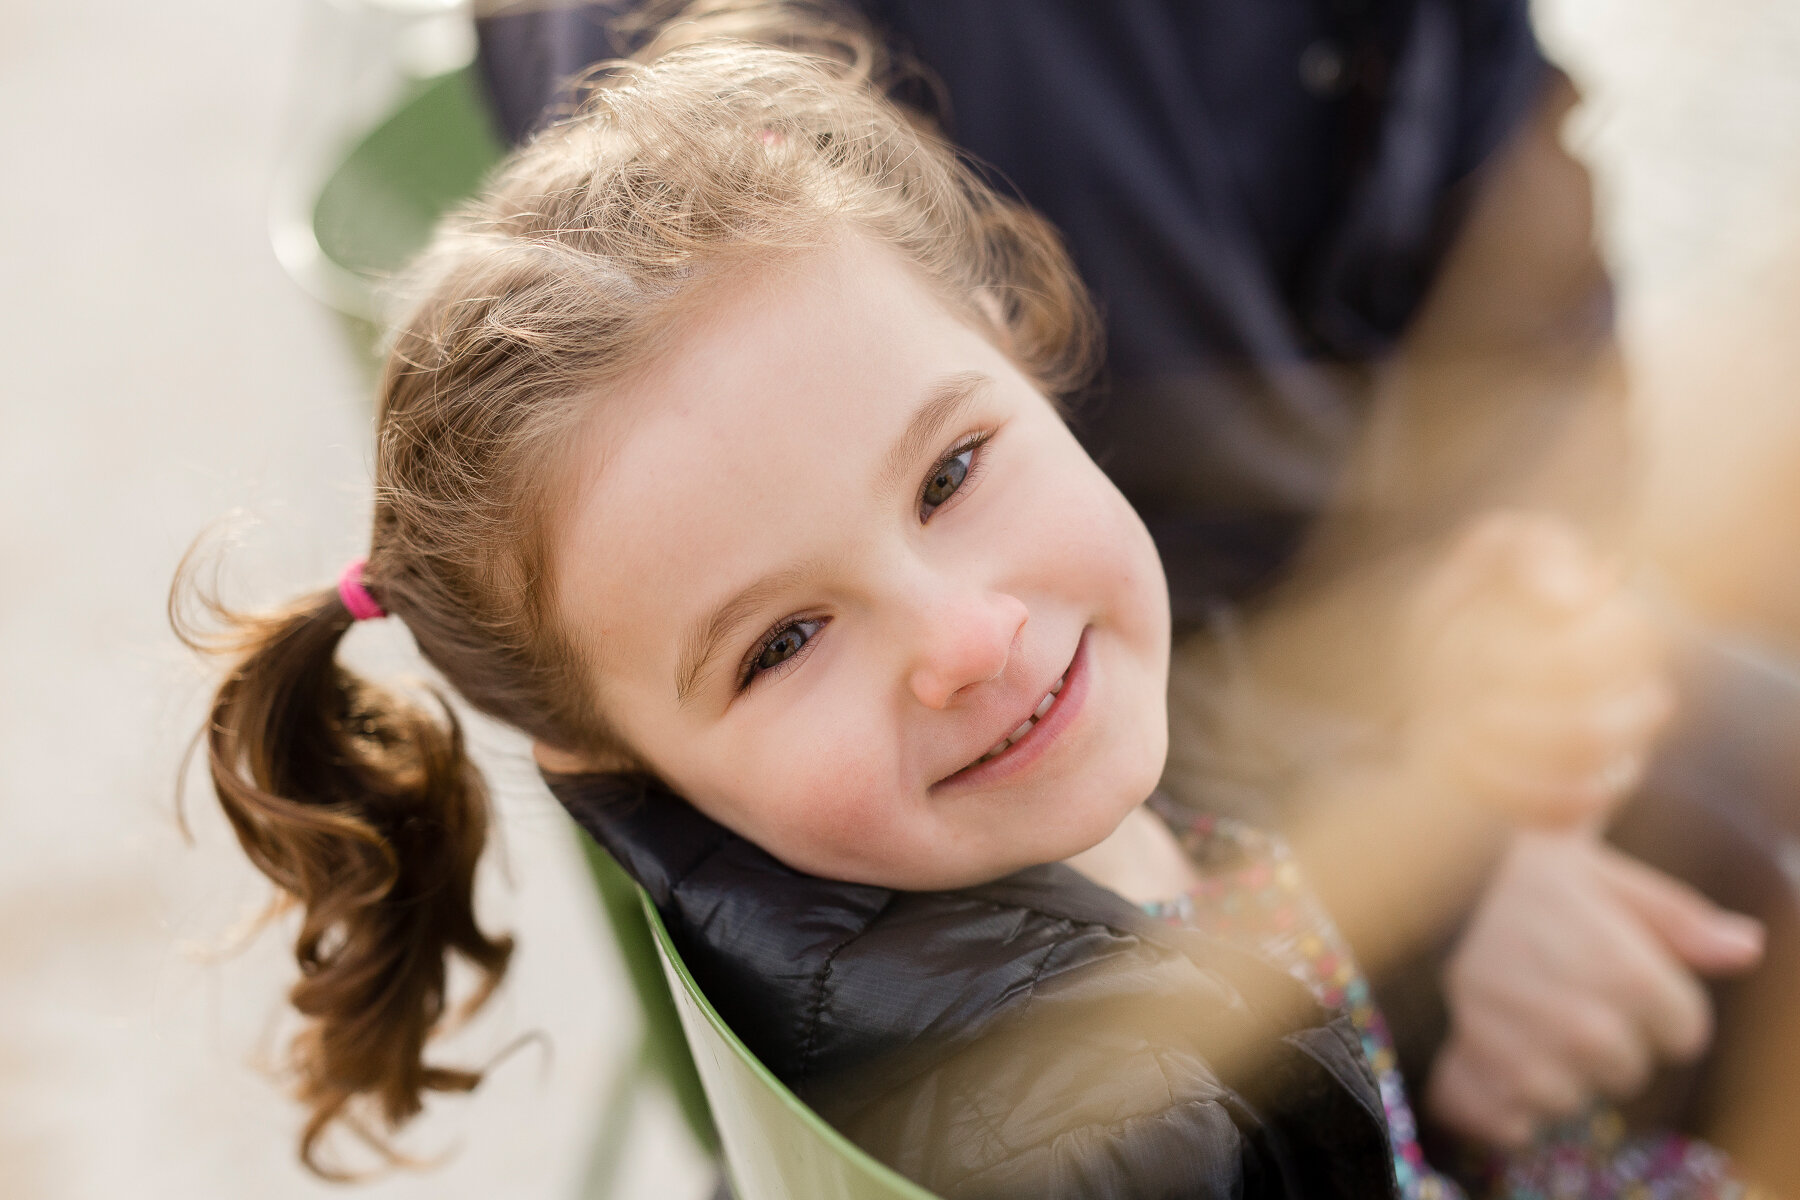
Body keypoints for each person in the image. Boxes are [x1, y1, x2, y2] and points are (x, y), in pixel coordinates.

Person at [176, 30, 1763, 1198]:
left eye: (949, 472)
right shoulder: (1092, 1130)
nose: (967, 640)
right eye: (781, 643)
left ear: (1019, 341)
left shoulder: (1049, 791)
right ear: (601, 758)